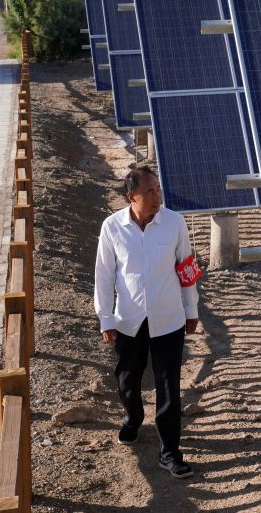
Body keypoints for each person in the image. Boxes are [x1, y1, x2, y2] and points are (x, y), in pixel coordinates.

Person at [94, 166, 202, 478]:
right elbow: (104, 275)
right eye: (150, 192)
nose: (157, 197)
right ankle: (133, 417)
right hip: (129, 320)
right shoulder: (112, 227)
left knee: (168, 385)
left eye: (158, 190)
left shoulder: (174, 222)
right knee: (128, 380)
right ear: (132, 197)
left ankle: (170, 453)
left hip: (168, 318)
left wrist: (191, 309)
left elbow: (186, 267)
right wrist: (105, 318)